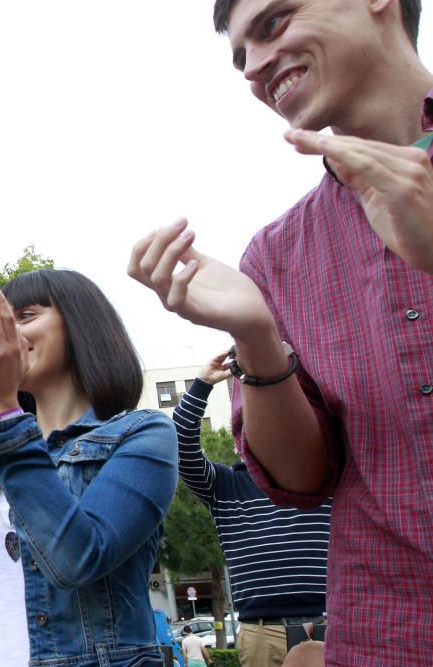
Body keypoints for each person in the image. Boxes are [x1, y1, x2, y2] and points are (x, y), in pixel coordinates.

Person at [127, 1, 433, 664]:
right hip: (386, 638)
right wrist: (258, 339)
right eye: (240, 56)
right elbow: (300, 478)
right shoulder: (276, 256)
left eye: (274, 23)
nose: (254, 67)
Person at [0, 270, 178, 666]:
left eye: (25, 315)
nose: (7, 334)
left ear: (82, 324)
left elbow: (78, 559)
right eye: (1, 322)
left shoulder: (143, 434)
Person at [173, 352, 330, 666]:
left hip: (330, 621)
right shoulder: (224, 486)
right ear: (237, 441)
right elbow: (178, 444)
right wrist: (203, 383)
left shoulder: (325, 472)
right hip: (261, 632)